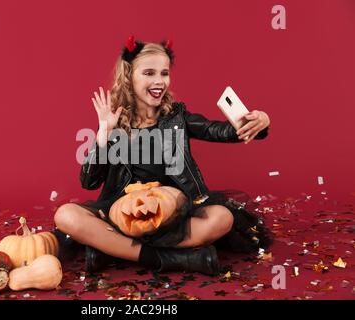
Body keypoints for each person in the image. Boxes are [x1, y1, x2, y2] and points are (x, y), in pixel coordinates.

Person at [54, 37, 272, 275]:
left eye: (164, 73)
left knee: (222, 218)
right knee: (66, 216)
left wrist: (259, 122)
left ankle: (112, 251)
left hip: (172, 212)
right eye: (149, 73)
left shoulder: (177, 117)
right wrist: (103, 136)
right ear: (129, 77)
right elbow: (89, 182)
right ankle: (173, 258)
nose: (159, 81)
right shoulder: (114, 122)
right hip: (123, 211)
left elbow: (220, 131)